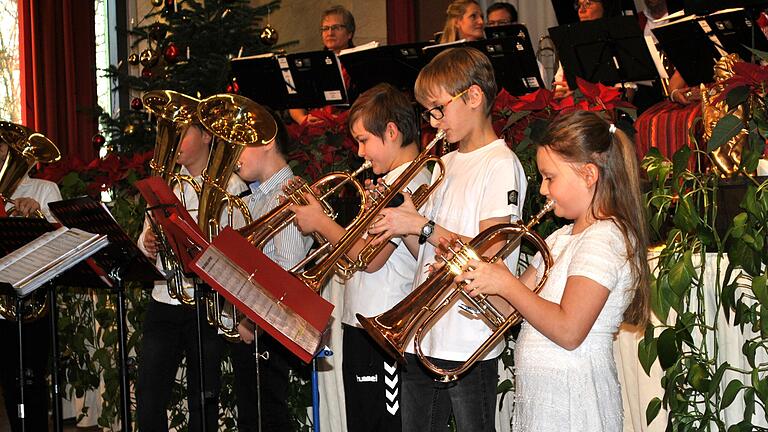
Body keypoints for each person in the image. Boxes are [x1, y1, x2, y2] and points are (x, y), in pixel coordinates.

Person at [456, 110, 650, 430]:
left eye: (550, 177)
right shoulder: (560, 238)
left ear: (589, 175)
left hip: (575, 404)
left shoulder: (606, 237)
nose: (543, 190)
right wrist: (470, 272)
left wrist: (506, 284)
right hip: (545, 403)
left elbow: (569, 331)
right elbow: (510, 309)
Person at [367, 47, 527, 432]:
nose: (434, 122)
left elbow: (490, 251)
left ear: (473, 97)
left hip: (471, 338)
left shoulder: (500, 164)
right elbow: (426, 252)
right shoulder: (446, 163)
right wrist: (402, 223)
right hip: (426, 333)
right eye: (428, 113)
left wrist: (422, 225)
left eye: (438, 109)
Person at [289, 83, 431, 432]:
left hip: (384, 329)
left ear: (393, 132)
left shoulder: (409, 183)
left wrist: (320, 222)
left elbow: (370, 257)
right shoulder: (386, 181)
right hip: (361, 325)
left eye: (364, 140)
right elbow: (356, 250)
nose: (360, 152)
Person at [136, 122, 247, 431]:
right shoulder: (166, 185)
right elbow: (143, 237)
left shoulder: (231, 185)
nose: (175, 142)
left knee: (203, 395)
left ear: (207, 135)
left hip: (205, 302)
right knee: (149, 392)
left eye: (182, 134)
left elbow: (237, 247)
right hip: (165, 296)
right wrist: (146, 244)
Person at [228, 109, 312, 432]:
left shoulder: (289, 192)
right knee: (253, 417)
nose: (235, 156)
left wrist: (249, 316)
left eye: (242, 145)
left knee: (269, 418)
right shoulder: (254, 198)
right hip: (253, 324)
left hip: (271, 330)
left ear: (268, 141)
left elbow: (287, 272)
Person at [0, 139, 62, 431]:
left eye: (3, 146)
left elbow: (62, 243)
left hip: (31, 301)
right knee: (7, 385)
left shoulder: (44, 189)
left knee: (30, 380)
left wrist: (40, 214)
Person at [289, 5, 356, 125]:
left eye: (336, 27)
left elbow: (367, 103)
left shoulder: (359, 61)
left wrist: (339, 120)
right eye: (325, 28)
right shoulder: (311, 62)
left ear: (350, 33)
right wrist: (303, 119)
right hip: (313, 124)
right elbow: (295, 101)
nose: (330, 32)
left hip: (348, 126)